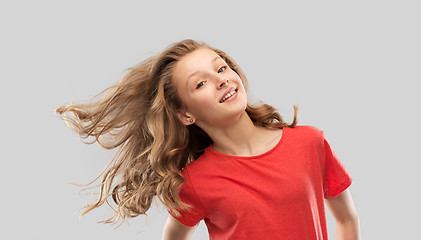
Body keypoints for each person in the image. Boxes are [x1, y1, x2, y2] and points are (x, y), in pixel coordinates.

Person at [56, 39, 360, 239]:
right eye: (200, 83)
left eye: (221, 67)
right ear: (184, 114)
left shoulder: (309, 142)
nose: (220, 79)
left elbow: (346, 220)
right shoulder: (195, 183)